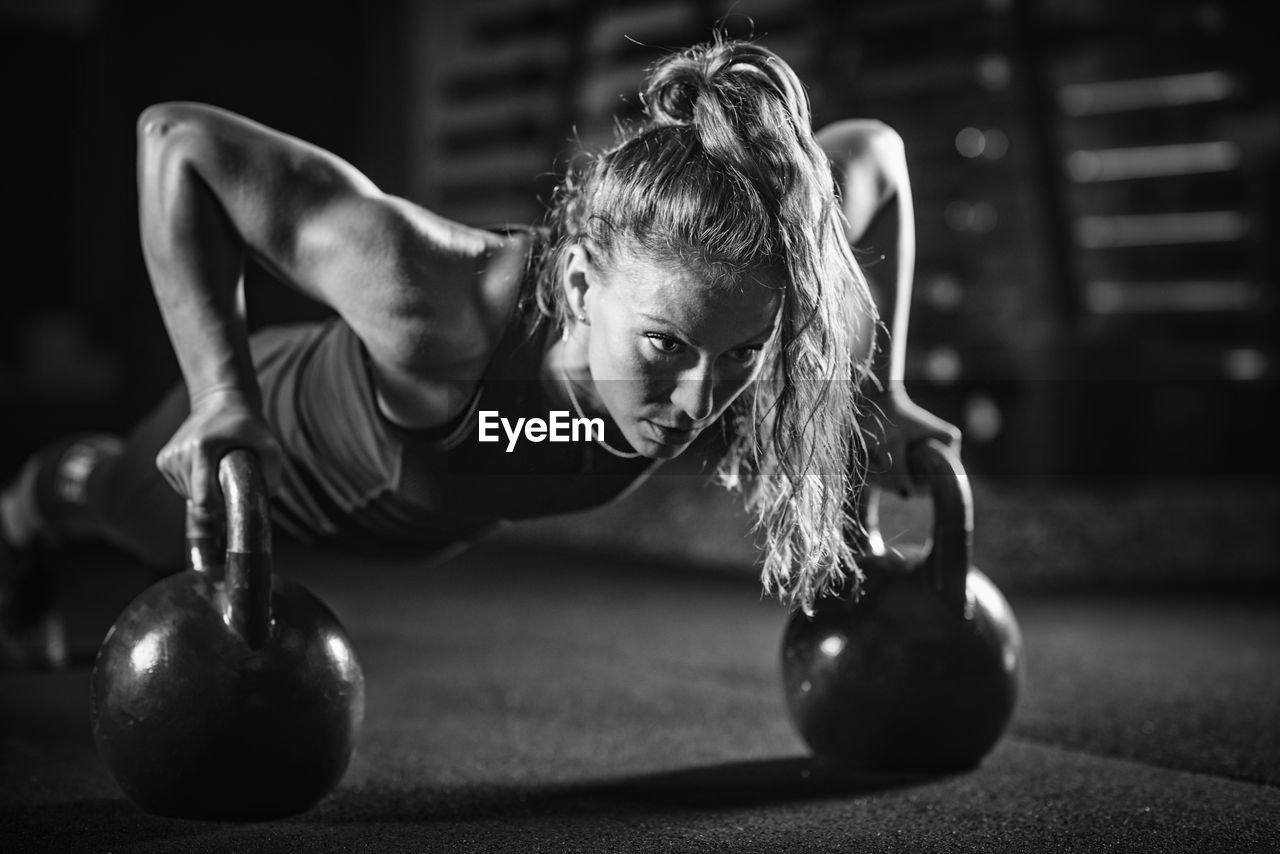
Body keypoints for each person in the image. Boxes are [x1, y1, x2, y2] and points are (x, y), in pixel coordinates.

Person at [0, 36, 957, 669]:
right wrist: (218, 395)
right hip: (289, 451)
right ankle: (31, 505)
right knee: (113, 507)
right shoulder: (434, 300)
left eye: (741, 352)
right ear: (581, 285)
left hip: (434, 512)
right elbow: (176, 139)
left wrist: (891, 392)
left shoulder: (727, 300)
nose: (701, 396)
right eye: (664, 345)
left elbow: (877, 152)